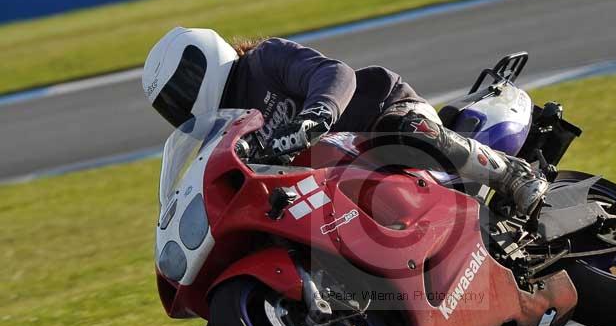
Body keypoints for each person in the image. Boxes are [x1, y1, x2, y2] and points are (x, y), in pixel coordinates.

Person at [142, 27, 548, 216]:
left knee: (402, 129)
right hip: (346, 181)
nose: (182, 103)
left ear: (204, 57)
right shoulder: (226, 136)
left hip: (382, 116)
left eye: (183, 84)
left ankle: (513, 175)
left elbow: (334, 73)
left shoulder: (264, 61)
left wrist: (317, 114)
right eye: (171, 104)